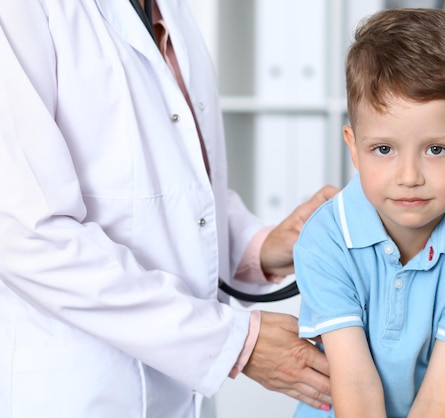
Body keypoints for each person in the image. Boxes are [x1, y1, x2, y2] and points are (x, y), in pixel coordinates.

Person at [0, 1, 337, 417]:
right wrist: (231, 342)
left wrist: (261, 247)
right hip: (82, 391)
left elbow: (182, 189)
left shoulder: (168, 10)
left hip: (181, 395)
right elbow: (25, 233)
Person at [293, 8, 445, 418]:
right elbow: (355, 383)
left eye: (435, 149)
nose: (409, 176)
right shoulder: (325, 240)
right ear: (354, 147)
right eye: (383, 149)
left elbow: (439, 400)